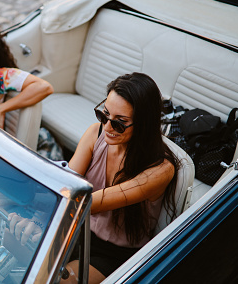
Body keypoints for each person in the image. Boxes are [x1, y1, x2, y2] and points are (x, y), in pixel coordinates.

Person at [63, 73, 179, 283]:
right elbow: (66, 182)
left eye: (120, 123)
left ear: (143, 124)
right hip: (80, 229)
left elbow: (88, 203)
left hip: (116, 253)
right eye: (103, 115)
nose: (107, 127)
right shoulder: (95, 133)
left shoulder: (161, 169)